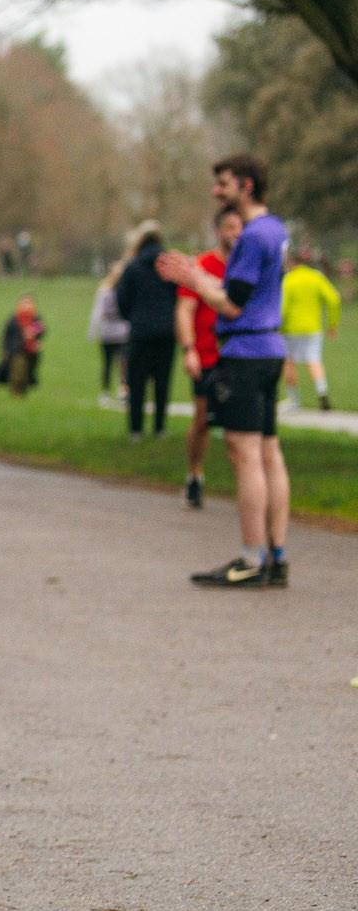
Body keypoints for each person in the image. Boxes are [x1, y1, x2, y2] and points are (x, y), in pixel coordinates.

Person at [159, 153, 292, 588]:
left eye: (224, 184)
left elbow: (232, 303)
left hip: (245, 353)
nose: (217, 191)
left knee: (245, 453)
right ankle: (276, 556)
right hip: (271, 348)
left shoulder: (253, 236)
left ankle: (251, 562)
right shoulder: (276, 229)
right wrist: (198, 275)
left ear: (246, 186)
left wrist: (194, 280)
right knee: (270, 452)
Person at [178, 206, 243, 509]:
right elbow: (185, 310)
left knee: (240, 425)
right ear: (218, 231)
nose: (235, 233)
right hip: (206, 354)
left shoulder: (246, 267)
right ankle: (194, 474)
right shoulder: (201, 266)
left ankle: (246, 486)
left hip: (240, 355)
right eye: (229, 227)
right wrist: (189, 349)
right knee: (203, 419)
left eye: (239, 227)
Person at [116, 222, 179, 438]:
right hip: (166, 331)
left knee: (137, 382)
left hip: (140, 331)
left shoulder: (133, 266)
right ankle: (159, 427)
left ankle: (136, 428)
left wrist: (133, 317)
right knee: (162, 381)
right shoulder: (169, 266)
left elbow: (122, 298)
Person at [280, 250, 339, 412]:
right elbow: (334, 299)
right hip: (313, 328)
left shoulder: (289, 280)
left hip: (290, 329)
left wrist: (278, 327)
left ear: (292, 263)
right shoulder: (316, 277)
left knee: (289, 362)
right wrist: (332, 324)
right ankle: (322, 391)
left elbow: (283, 308)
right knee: (314, 360)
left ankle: (293, 400)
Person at [87, 259, 130, 397]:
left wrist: (93, 331)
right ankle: (111, 390)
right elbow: (97, 313)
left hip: (118, 332)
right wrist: (93, 331)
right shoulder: (107, 291)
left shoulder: (112, 291)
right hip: (115, 332)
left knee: (118, 363)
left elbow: (97, 313)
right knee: (115, 363)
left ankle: (116, 390)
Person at [0, 295, 45, 396]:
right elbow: (6, 335)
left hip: (31, 351)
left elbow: (41, 329)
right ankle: (16, 391)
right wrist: (4, 349)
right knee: (17, 371)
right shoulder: (14, 319)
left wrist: (33, 332)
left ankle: (23, 390)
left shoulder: (35, 318)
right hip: (17, 350)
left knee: (28, 371)